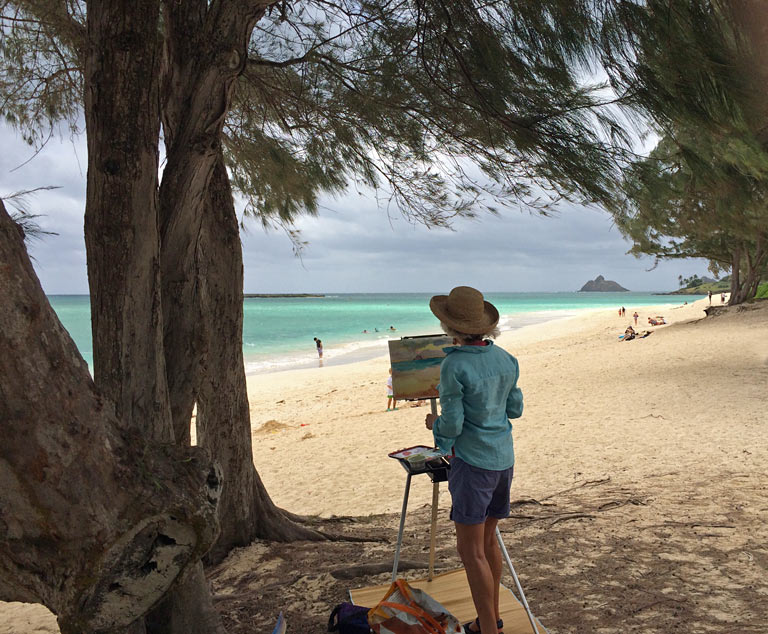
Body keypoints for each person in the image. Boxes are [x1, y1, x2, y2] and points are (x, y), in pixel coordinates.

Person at [424, 286, 521, 634]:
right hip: (502, 459)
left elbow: (452, 423)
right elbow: (516, 409)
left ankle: (490, 630)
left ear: (450, 327)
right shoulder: (506, 359)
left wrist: (436, 428)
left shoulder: (454, 364)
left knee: (471, 552)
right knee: (488, 541)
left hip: (474, 462)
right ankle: (488, 620)